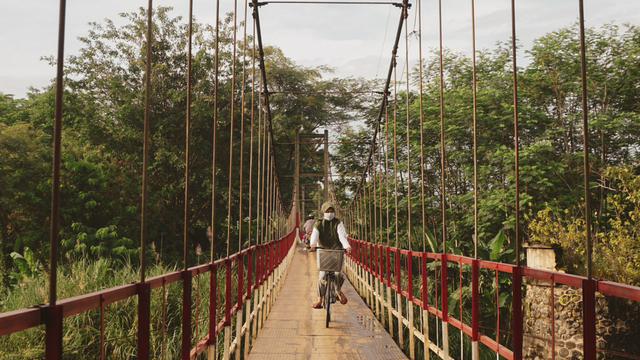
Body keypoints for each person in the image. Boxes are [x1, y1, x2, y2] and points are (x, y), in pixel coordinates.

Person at [310, 202, 352, 308]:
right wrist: (313, 244)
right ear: (323, 212)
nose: (330, 213)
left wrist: (347, 246)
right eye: (327, 211)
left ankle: (338, 291)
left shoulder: (338, 222)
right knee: (322, 276)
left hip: (336, 251)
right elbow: (315, 234)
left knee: (338, 274)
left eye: (332, 211)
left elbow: (342, 235)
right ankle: (319, 300)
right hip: (323, 251)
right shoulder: (319, 223)